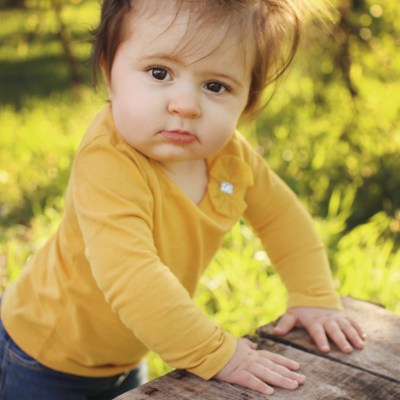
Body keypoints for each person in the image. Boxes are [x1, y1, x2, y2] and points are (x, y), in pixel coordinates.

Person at [0, 0, 367, 399]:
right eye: (160, 73)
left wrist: (314, 295)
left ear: (248, 97)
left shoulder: (230, 157)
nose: (186, 105)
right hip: (43, 356)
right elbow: (131, 274)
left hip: (130, 347)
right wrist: (216, 353)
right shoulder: (108, 162)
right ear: (109, 72)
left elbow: (282, 218)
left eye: (216, 86)